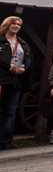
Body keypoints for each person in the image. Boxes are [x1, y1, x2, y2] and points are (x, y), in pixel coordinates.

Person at [0, 16, 33, 150]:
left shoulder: (23, 43)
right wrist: (8, 65)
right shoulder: (1, 41)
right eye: (13, 23)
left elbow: (28, 59)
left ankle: (5, 142)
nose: (16, 26)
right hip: (1, 79)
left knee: (10, 112)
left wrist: (23, 68)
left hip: (15, 81)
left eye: (18, 24)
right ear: (7, 25)